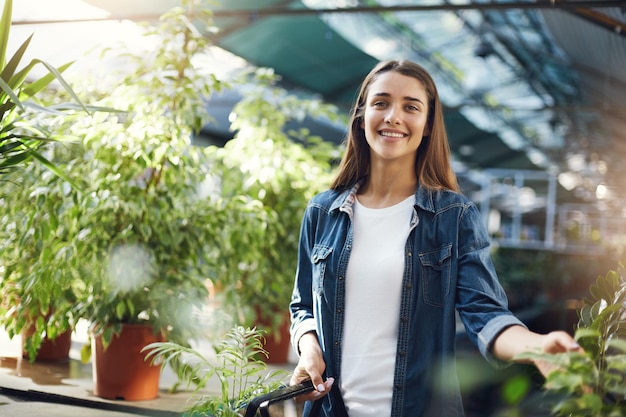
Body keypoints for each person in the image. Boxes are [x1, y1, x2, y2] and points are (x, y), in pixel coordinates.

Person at [288, 59, 581, 417]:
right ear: (362, 115)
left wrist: (536, 345)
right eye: (381, 102)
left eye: (411, 107)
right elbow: (303, 305)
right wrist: (309, 349)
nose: (393, 116)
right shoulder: (323, 212)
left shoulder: (453, 217)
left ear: (427, 125)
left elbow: (484, 313)